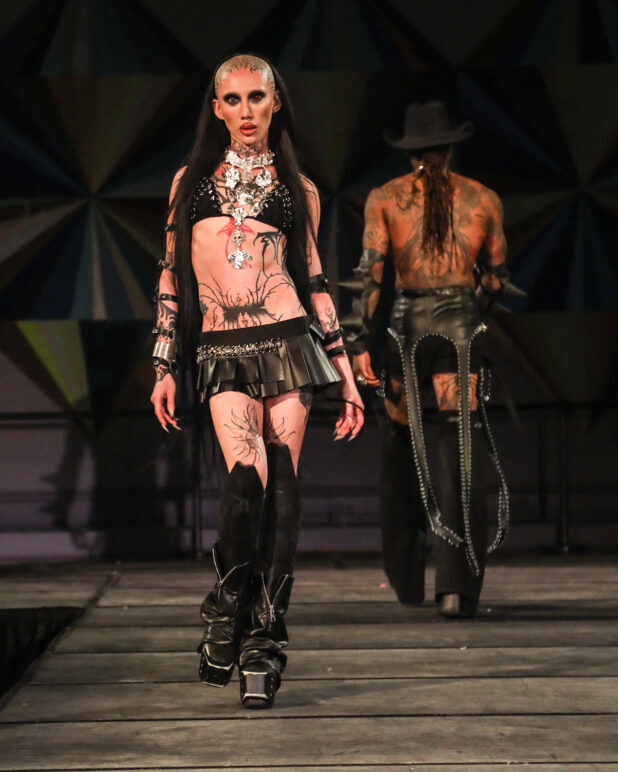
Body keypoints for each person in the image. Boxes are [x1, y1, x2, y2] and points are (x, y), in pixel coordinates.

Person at [150, 53, 364, 707]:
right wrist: (163, 364)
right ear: (216, 108)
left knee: (284, 490)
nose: (246, 111)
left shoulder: (300, 189)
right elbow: (171, 276)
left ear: (275, 103)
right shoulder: (191, 181)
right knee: (247, 481)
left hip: (291, 344)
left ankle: (263, 642)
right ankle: (228, 606)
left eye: (257, 98)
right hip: (223, 350)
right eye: (234, 99)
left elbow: (315, 282)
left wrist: (347, 375)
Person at [345, 101, 513, 618]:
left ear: (410, 152)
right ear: (450, 148)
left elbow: (370, 276)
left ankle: (407, 578)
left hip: (408, 331)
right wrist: (473, 299)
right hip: (460, 330)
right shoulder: (483, 198)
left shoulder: (385, 198)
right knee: (458, 450)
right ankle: (456, 588)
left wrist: (356, 343)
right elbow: (496, 278)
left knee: (403, 446)